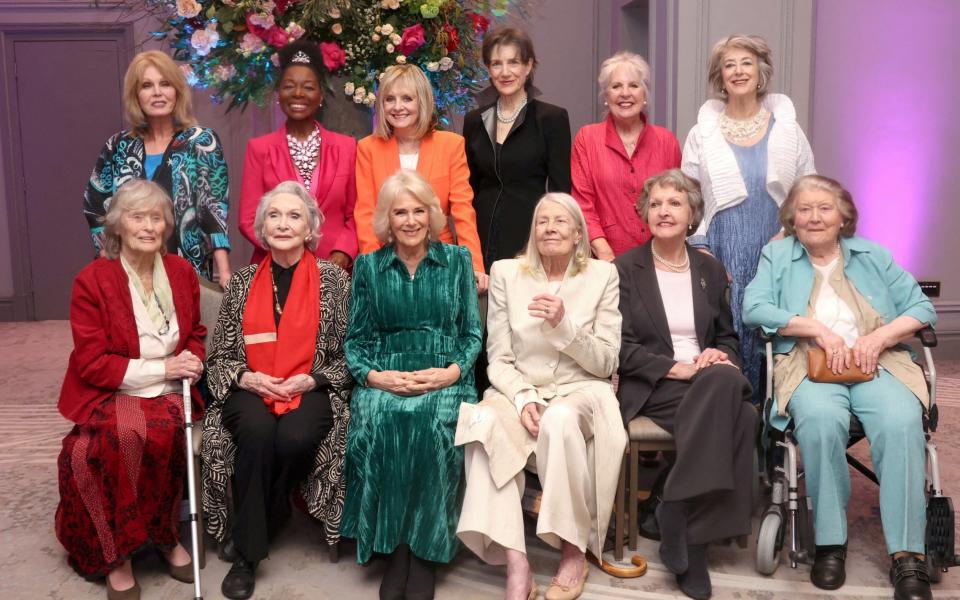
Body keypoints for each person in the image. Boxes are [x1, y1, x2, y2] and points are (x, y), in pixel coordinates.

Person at [743, 175, 936, 600]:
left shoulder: (872, 254)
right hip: (809, 364)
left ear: (843, 216)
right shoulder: (777, 255)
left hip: (877, 362)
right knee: (820, 420)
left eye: (824, 208)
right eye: (805, 209)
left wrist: (879, 338)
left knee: (902, 420)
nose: (814, 217)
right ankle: (830, 543)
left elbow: (921, 306)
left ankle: (908, 555)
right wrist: (815, 329)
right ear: (791, 217)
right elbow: (753, 307)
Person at [455, 193, 625, 600]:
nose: (550, 227)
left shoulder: (602, 276)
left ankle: (573, 550)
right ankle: (517, 563)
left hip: (581, 388)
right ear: (533, 231)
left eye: (561, 221)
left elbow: (605, 361)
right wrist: (522, 396)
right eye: (542, 220)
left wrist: (565, 325)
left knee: (560, 419)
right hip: (519, 386)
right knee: (482, 425)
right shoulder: (506, 273)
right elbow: (497, 357)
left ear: (579, 234)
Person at [202, 181, 353, 600]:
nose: (283, 224)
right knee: (256, 431)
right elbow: (220, 357)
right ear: (261, 228)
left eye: (294, 216)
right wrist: (246, 378)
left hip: (310, 385)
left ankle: (268, 511)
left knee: (295, 435)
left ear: (310, 230)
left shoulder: (334, 282)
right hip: (251, 387)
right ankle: (248, 556)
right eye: (274, 215)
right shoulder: (242, 282)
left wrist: (314, 379)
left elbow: (349, 355)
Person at [56, 179, 206, 600]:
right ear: (118, 226)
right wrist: (162, 366)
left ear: (167, 226)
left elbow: (194, 332)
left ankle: (163, 535)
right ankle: (116, 554)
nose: (147, 226)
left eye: (156, 218)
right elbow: (93, 363)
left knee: (157, 435)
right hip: (109, 388)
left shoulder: (181, 272)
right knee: (93, 450)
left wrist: (192, 358)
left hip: (171, 388)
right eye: (137, 217)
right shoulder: (92, 280)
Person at [341, 170, 482, 600]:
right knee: (381, 418)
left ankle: (424, 551)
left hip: (444, 373)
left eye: (418, 210)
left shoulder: (457, 261)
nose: (410, 220)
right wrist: (374, 376)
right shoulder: (368, 266)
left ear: (432, 214)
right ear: (387, 218)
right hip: (386, 372)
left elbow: (472, 334)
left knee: (430, 421)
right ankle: (395, 548)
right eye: (400, 211)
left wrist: (451, 372)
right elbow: (355, 339)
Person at [614, 170, 755, 600]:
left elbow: (727, 337)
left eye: (674, 203)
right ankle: (691, 535)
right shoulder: (624, 268)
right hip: (654, 385)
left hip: (706, 377)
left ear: (692, 213)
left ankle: (678, 510)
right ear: (645, 214)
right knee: (744, 417)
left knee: (723, 384)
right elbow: (619, 347)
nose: (664, 211)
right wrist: (675, 369)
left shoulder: (709, 269)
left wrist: (719, 356)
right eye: (656, 204)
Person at [681, 34, 815, 401]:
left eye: (746, 63)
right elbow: (689, 197)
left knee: (773, 337)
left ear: (761, 73)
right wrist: (701, 248)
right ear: (719, 78)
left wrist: (790, 230)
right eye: (729, 65)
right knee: (725, 333)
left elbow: (808, 191)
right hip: (720, 249)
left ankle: (771, 439)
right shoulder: (701, 134)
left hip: (778, 247)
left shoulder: (788, 129)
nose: (738, 71)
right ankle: (727, 430)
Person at [83, 50, 231, 285]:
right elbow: (95, 205)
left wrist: (224, 272)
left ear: (177, 91)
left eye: (165, 84)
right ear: (136, 95)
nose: (158, 93)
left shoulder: (201, 142)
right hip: (128, 270)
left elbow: (213, 209)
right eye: (147, 86)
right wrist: (106, 255)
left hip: (187, 269)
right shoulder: (118, 146)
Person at [354, 64, 488, 292]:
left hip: (441, 260)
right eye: (389, 99)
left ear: (422, 102)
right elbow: (366, 213)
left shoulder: (451, 145)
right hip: (387, 263)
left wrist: (473, 264)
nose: (398, 107)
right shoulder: (368, 148)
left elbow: (463, 210)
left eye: (407, 98)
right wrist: (372, 266)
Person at [239, 40, 357, 269]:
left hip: (334, 269)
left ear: (321, 95)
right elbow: (248, 219)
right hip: (276, 267)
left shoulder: (347, 147)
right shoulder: (259, 148)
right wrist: (285, 250)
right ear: (278, 93)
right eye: (289, 86)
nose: (298, 93)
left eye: (309, 87)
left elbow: (356, 214)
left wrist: (343, 252)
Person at [464, 26, 571, 271]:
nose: (505, 72)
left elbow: (560, 192)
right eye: (496, 64)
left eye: (513, 62)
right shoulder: (474, 120)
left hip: (530, 236)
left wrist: (549, 240)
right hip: (481, 238)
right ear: (488, 69)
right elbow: (469, 190)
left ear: (528, 65)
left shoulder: (551, 118)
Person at [571, 51, 681, 260]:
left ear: (645, 94)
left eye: (633, 85)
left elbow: (677, 203)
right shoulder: (587, 139)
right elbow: (582, 205)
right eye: (616, 86)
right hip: (603, 261)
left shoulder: (667, 141)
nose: (625, 93)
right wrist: (607, 257)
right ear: (606, 96)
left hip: (659, 259)